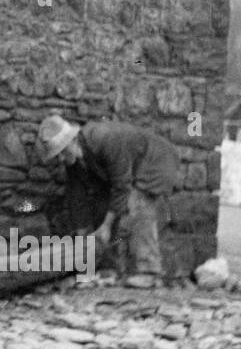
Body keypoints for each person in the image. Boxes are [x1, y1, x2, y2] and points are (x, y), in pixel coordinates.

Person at [37, 113, 180, 282]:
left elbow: (122, 186)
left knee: (138, 204)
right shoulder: (74, 159)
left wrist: (105, 226)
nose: (60, 159)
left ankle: (149, 271)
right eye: (57, 156)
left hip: (157, 160)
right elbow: (76, 197)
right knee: (102, 205)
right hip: (132, 167)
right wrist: (83, 231)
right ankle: (110, 267)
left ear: (72, 140)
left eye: (61, 152)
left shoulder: (105, 138)